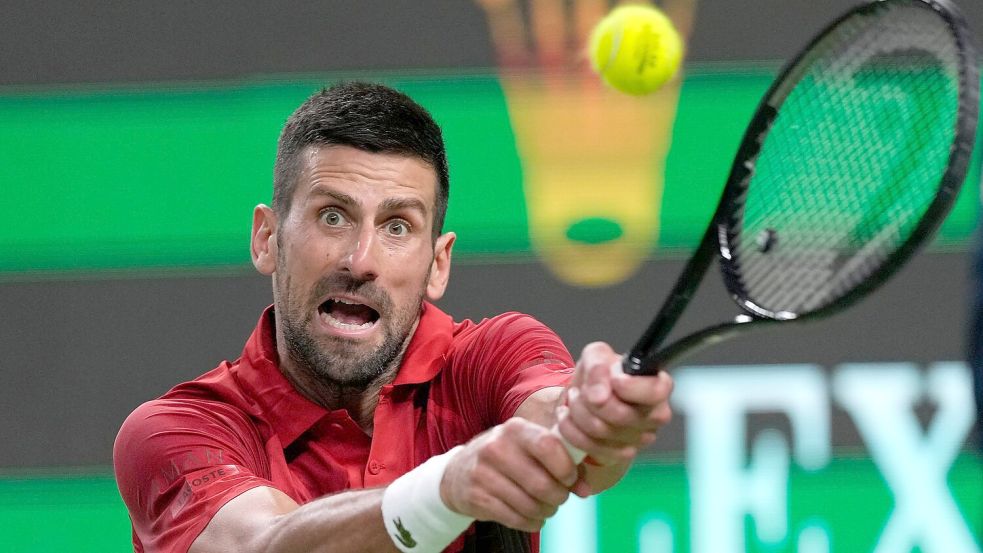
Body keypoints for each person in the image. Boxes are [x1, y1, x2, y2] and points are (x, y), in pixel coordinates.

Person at [113, 81, 673, 553]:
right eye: (332, 217)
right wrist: (444, 492)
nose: (361, 261)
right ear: (267, 239)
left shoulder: (491, 358)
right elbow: (262, 543)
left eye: (398, 226)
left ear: (438, 263)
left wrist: (592, 421)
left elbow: (555, 421)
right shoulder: (178, 432)